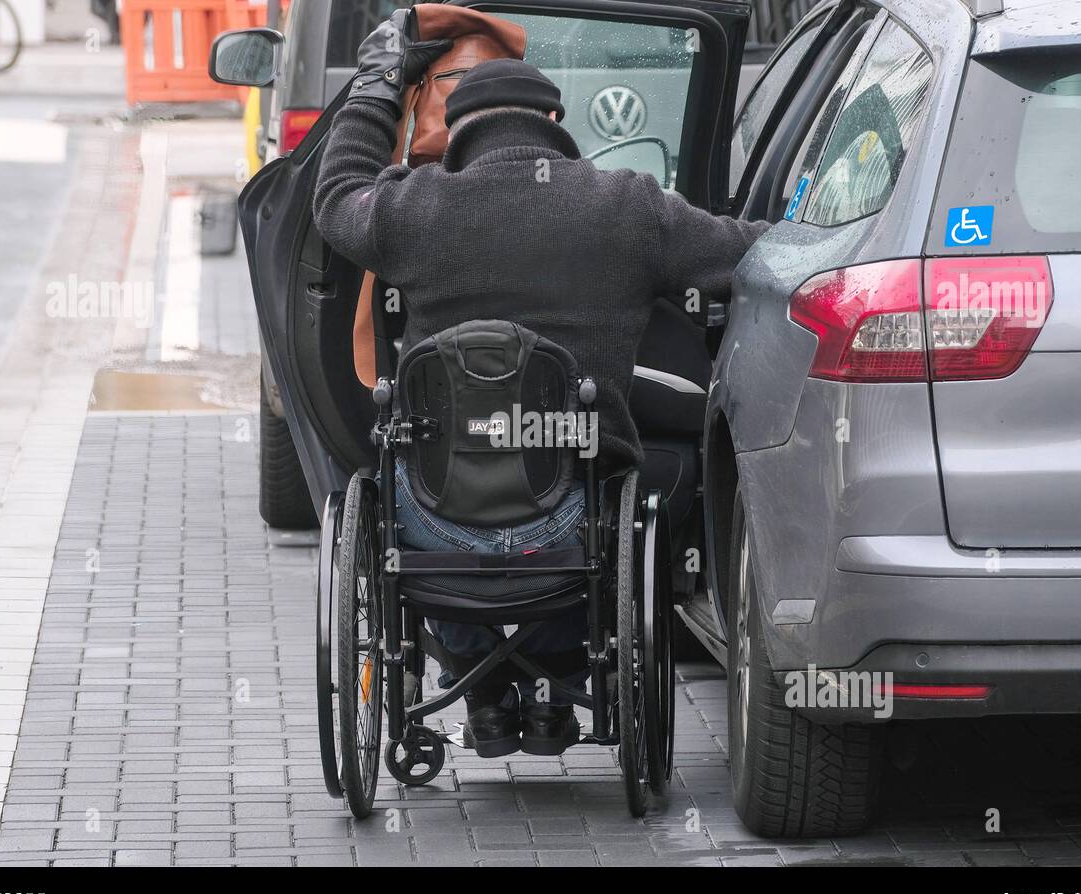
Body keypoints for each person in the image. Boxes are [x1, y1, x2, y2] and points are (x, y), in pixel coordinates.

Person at [314, 9, 768, 758]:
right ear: (555, 120)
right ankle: (560, 682)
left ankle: (483, 688)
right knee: (638, 487)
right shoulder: (626, 206)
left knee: (414, 496)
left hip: (435, 526)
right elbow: (746, 253)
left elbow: (334, 203)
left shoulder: (415, 208)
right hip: (575, 528)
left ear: (456, 134)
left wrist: (376, 87)